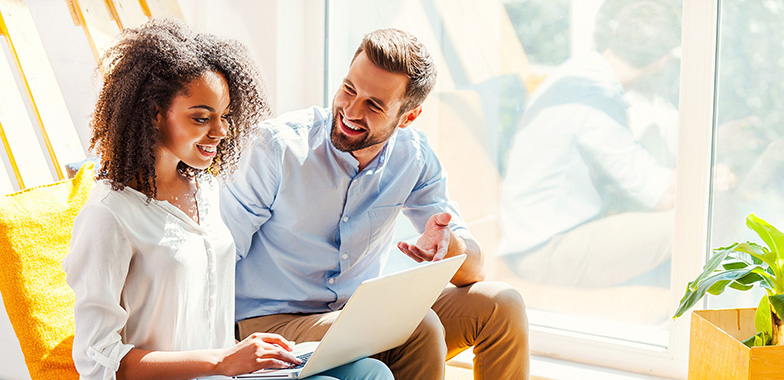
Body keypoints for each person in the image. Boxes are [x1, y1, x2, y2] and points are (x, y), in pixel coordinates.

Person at [63, 19, 393, 380]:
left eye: (225, 116)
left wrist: (241, 356)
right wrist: (221, 360)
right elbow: (99, 361)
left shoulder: (204, 188)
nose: (221, 132)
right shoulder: (109, 215)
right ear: (155, 115)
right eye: (202, 117)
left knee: (369, 372)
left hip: (225, 374)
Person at [221, 28, 529, 380]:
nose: (351, 110)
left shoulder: (412, 156)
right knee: (417, 326)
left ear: (408, 116)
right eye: (349, 89)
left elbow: (472, 270)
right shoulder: (276, 148)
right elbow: (221, 254)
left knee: (501, 303)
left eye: (374, 105)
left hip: (356, 315)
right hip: (275, 322)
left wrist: (449, 246)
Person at [498, 0, 683, 288]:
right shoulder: (593, 101)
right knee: (688, 226)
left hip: (539, 238)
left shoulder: (579, 74)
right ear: (662, 60)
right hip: (547, 251)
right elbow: (662, 196)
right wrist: (712, 175)